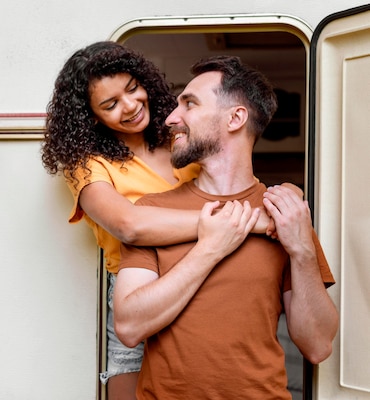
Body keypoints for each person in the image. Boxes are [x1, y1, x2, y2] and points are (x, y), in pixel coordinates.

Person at [41, 42, 278, 399]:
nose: (131, 105)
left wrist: (279, 199)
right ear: (92, 117)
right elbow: (129, 226)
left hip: (212, 273)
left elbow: (233, 179)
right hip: (137, 287)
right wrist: (245, 223)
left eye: (132, 88)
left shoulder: (181, 139)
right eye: (111, 104)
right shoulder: (89, 165)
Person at [113, 55, 339, 399]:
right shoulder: (153, 212)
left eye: (189, 103)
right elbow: (129, 327)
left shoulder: (284, 214)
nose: (172, 118)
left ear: (235, 118)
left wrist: (302, 249)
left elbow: (318, 346)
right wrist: (210, 249)